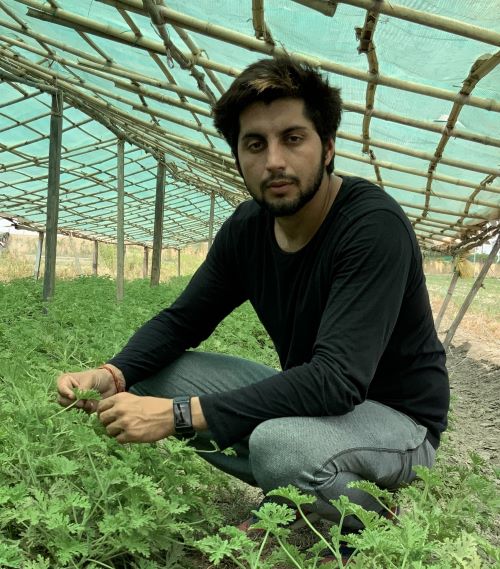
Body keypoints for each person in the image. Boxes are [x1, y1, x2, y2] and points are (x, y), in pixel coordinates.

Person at [57, 56, 449, 550]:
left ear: (328, 147)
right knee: (152, 376)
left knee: (279, 447)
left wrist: (178, 416)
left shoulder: (372, 227)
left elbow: (337, 380)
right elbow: (183, 320)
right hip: (317, 408)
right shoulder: (248, 229)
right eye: (255, 144)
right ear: (238, 155)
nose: (274, 162)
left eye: (293, 138)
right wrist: (111, 374)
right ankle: (294, 494)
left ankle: (370, 517)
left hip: (398, 422)